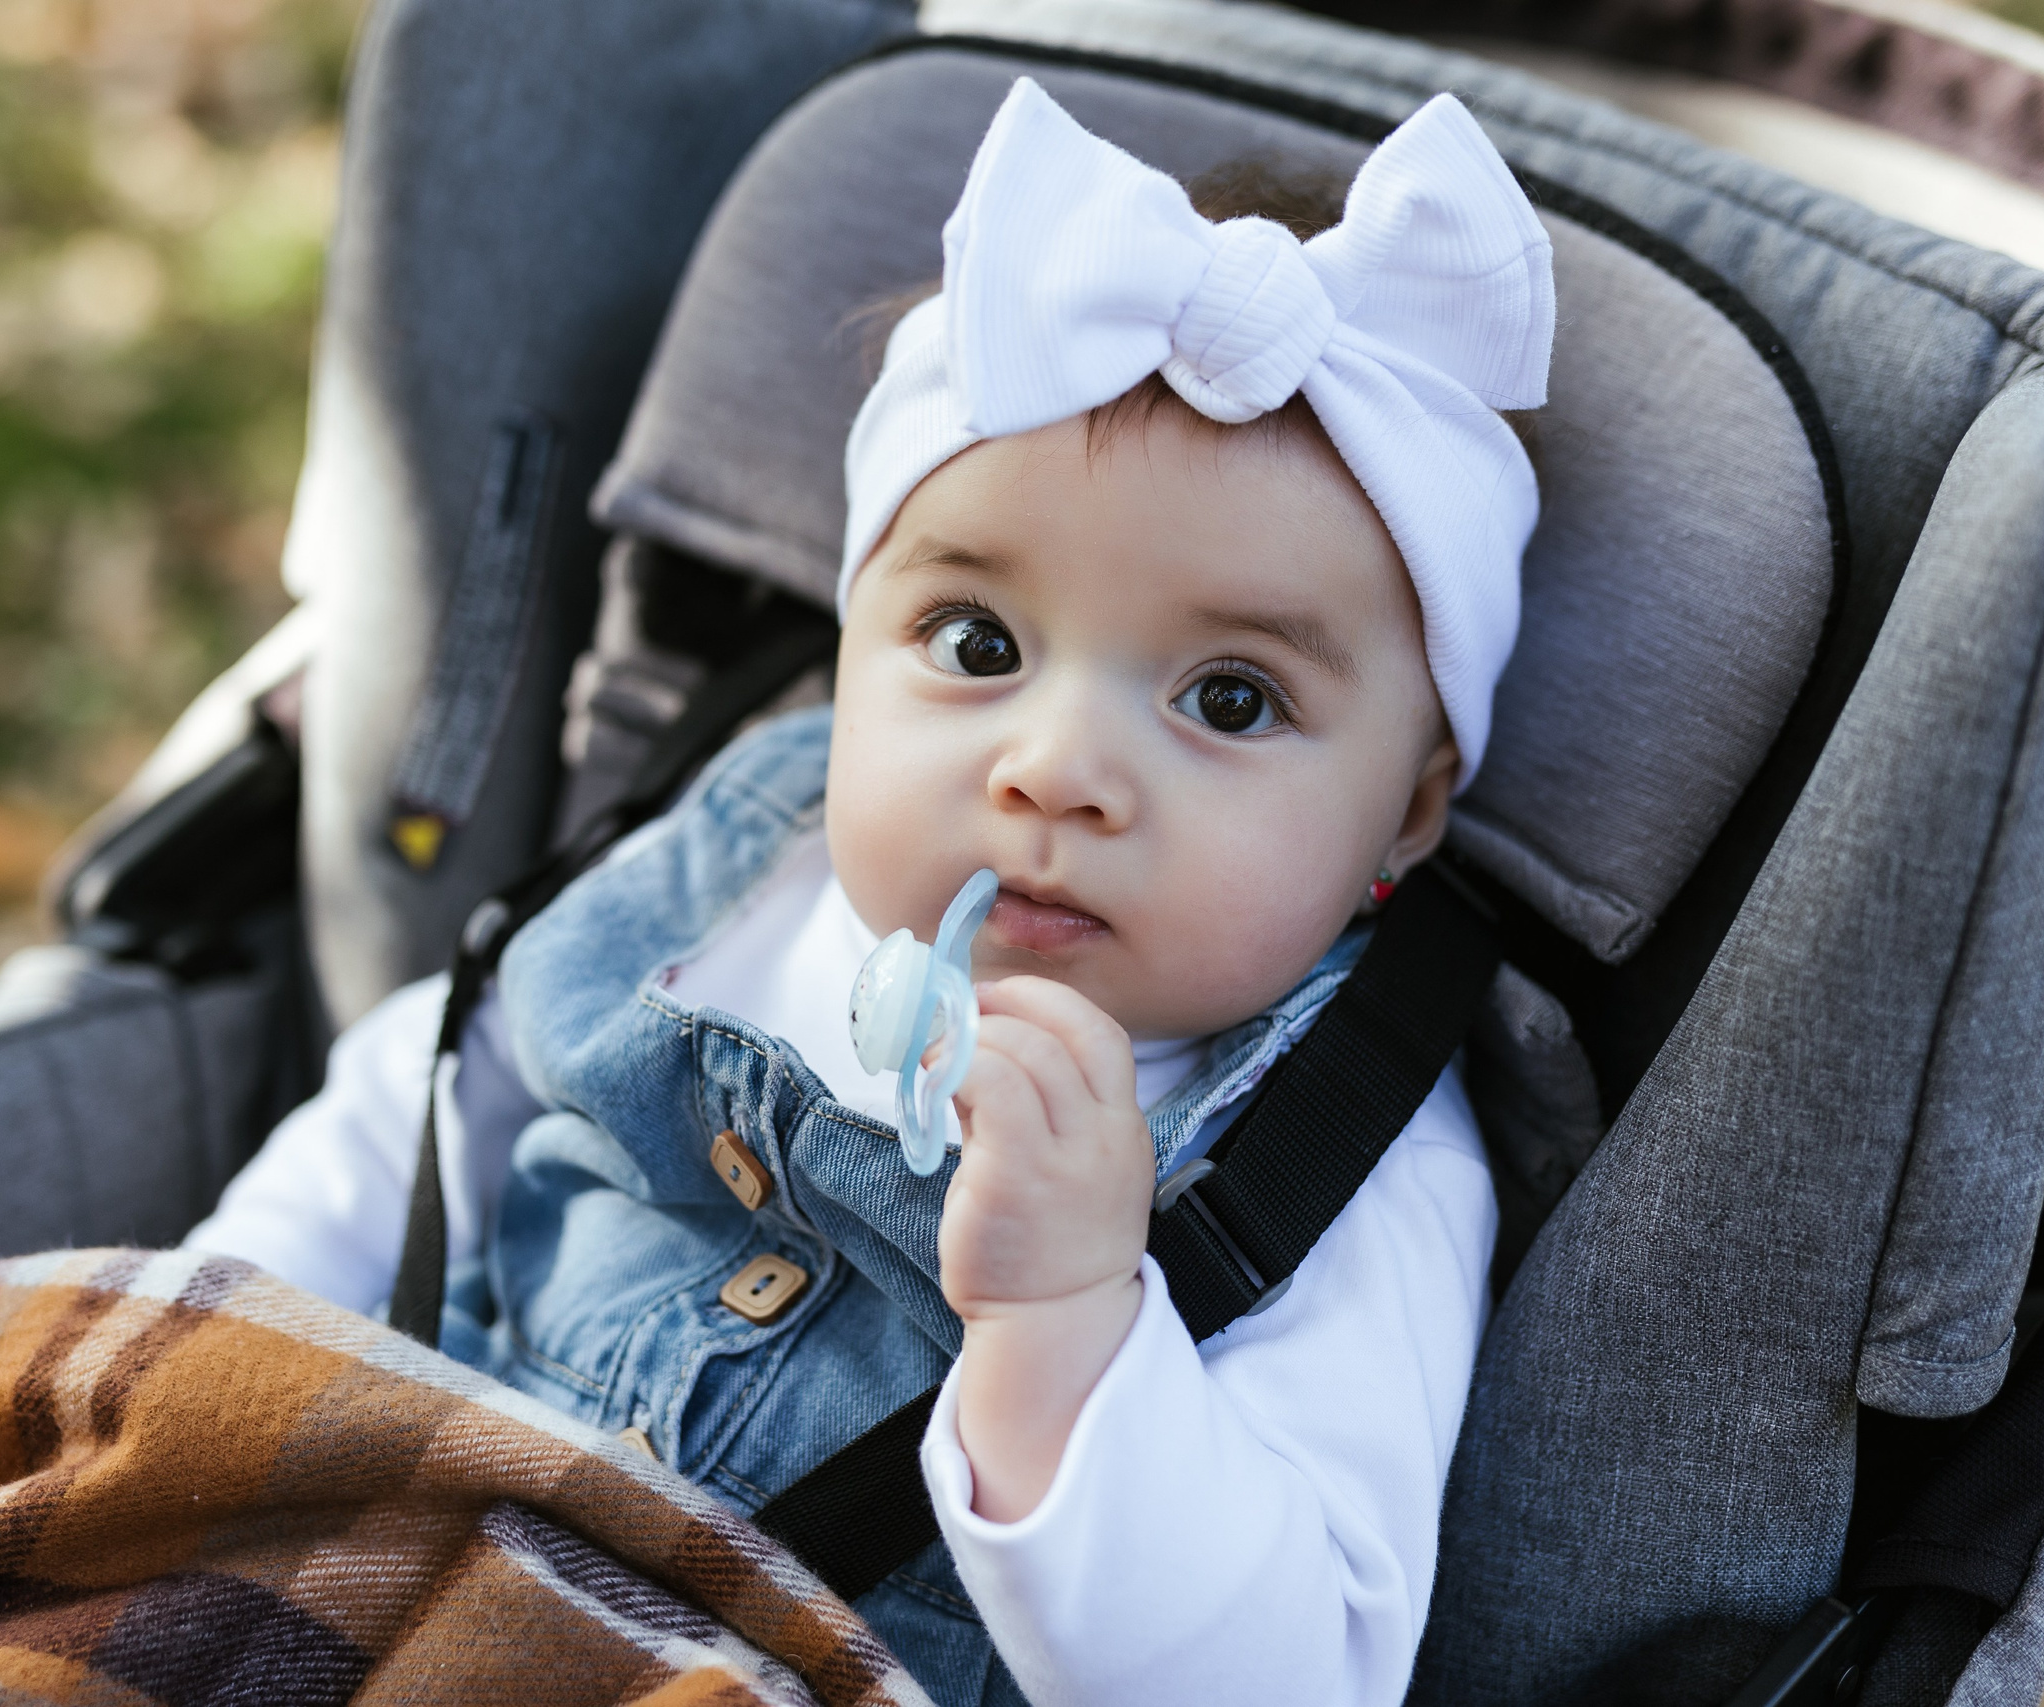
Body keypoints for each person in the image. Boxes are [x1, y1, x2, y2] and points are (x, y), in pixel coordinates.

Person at [189, 78, 1549, 1707]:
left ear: (1404, 813)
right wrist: (209, 1365)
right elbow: (425, 1104)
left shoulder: (1350, 1166)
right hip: (385, 1567)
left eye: (1231, 699)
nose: (1056, 768)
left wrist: (1070, 1324)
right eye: (979, 647)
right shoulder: (735, 869)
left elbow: (1287, 1675)